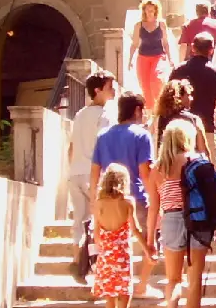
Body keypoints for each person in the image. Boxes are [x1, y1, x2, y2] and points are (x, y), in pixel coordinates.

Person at [89, 93, 158, 296]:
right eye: (142, 110)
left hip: (107, 200)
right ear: (136, 110)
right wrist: (155, 200)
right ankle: (141, 285)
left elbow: (94, 172)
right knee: (149, 241)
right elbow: (145, 172)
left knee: (112, 245)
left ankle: (112, 286)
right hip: (135, 197)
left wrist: (95, 202)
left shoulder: (103, 136)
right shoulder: (142, 135)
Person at [147, 119, 216, 308]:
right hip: (198, 219)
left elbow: (154, 208)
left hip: (170, 220)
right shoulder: (198, 162)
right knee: (195, 279)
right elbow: (212, 196)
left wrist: (150, 239)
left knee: (173, 279)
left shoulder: (158, 169)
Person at [68, 70, 117, 281]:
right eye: (109, 87)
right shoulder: (104, 115)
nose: (113, 90)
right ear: (97, 91)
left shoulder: (79, 114)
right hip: (93, 173)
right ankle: (97, 264)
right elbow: (104, 144)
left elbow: (71, 147)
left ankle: (77, 260)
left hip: (75, 172)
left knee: (79, 219)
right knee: (100, 219)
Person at [169, 33, 216, 164]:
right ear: (211, 50)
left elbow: (168, 99)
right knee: (208, 172)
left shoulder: (178, 70)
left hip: (180, 130)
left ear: (193, 48)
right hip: (206, 129)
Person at [91, 163, 145, 308]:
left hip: (106, 255)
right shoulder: (127, 202)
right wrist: (147, 249)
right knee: (124, 292)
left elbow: (96, 233)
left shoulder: (98, 203)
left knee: (109, 296)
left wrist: (101, 249)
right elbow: (135, 230)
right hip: (122, 255)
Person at [128, 0, 174, 110]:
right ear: (144, 10)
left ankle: (160, 107)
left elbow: (165, 43)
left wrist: (170, 58)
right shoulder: (139, 25)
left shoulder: (161, 24)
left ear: (156, 11)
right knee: (145, 86)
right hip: (143, 57)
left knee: (156, 80)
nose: (149, 13)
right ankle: (150, 112)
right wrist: (130, 60)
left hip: (158, 56)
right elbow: (134, 44)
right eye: (147, 10)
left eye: (152, 10)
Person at [151, 78, 209, 154]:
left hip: (165, 160)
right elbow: (203, 152)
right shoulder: (193, 120)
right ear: (179, 97)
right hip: (187, 160)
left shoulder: (158, 120)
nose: (191, 99)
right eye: (188, 95)